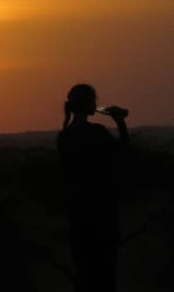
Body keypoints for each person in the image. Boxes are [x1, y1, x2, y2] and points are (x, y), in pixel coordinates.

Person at [56, 83, 130, 292]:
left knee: (84, 276)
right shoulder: (96, 132)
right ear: (87, 103)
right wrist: (120, 123)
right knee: (106, 276)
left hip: (78, 216)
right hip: (101, 214)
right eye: (93, 100)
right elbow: (125, 154)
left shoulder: (64, 137)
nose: (96, 104)